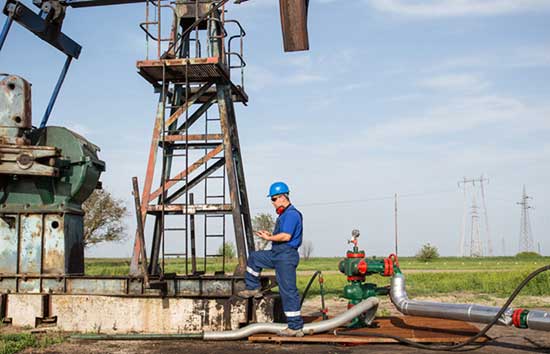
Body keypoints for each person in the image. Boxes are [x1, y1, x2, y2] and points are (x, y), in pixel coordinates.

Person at [238, 181, 304, 337]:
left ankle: (295, 327)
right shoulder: (284, 215)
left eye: (274, 199)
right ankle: (253, 287)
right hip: (277, 254)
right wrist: (269, 236)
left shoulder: (292, 214)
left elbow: (286, 236)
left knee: (288, 291)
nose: (272, 203)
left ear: (282, 197)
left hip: (286, 256)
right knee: (254, 258)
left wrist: (270, 237)